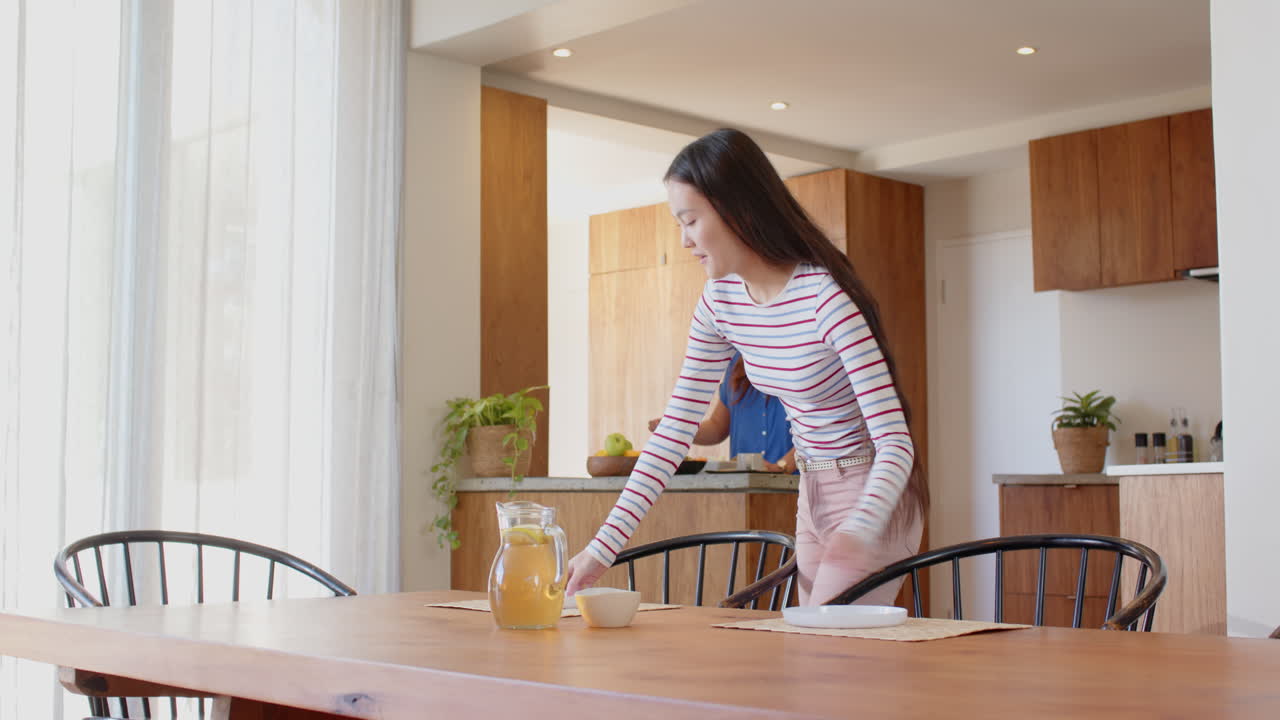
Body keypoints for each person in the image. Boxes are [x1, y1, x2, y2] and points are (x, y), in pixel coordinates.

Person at [565, 128, 928, 606]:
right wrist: (600, 549)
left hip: (872, 495)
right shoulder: (720, 302)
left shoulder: (825, 300)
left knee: (832, 658)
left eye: (690, 220)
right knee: (822, 666)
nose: (684, 240)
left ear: (736, 210)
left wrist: (860, 527)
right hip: (811, 489)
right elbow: (674, 432)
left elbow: (896, 443)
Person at [647, 351, 797, 473]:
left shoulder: (802, 358)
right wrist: (679, 429)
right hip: (744, 488)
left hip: (796, 487)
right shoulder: (735, 363)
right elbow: (717, 427)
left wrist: (783, 466)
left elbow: (817, 430)